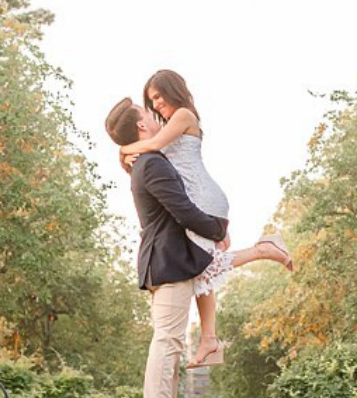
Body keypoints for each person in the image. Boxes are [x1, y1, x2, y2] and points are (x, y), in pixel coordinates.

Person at [118, 69, 293, 367]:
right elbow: (149, 160)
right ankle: (210, 338)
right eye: (151, 100)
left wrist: (123, 149)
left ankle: (264, 250)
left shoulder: (184, 115)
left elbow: (151, 147)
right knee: (198, 267)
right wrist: (128, 158)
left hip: (202, 196)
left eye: (158, 96)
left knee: (203, 264)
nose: (156, 104)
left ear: (172, 89)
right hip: (197, 197)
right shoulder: (167, 124)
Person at [105, 96, 229, 398]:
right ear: (142, 125)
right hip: (168, 261)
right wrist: (218, 228)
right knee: (168, 341)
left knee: (169, 340)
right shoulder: (153, 163)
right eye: (148, 112)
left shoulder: (144, 162)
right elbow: (183, 209)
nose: (156, 114)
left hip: (164, 261)